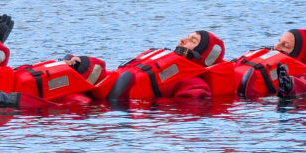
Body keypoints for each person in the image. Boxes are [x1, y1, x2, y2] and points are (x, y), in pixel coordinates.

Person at [96, 30, 226, 102]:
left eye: (192, 41)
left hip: (117, 101)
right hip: (107, 85)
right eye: (187, 36)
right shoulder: (166, 60)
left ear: (200, 55)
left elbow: (189, 108)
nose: (182, 39)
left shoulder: (194, 84)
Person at [234, 29, 306, 98]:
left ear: (299, 53)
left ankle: (248, 92)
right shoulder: (268, 55)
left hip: (257, 99)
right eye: (279, 42)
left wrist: (290, 85)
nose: (276, 47)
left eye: (285, 46)